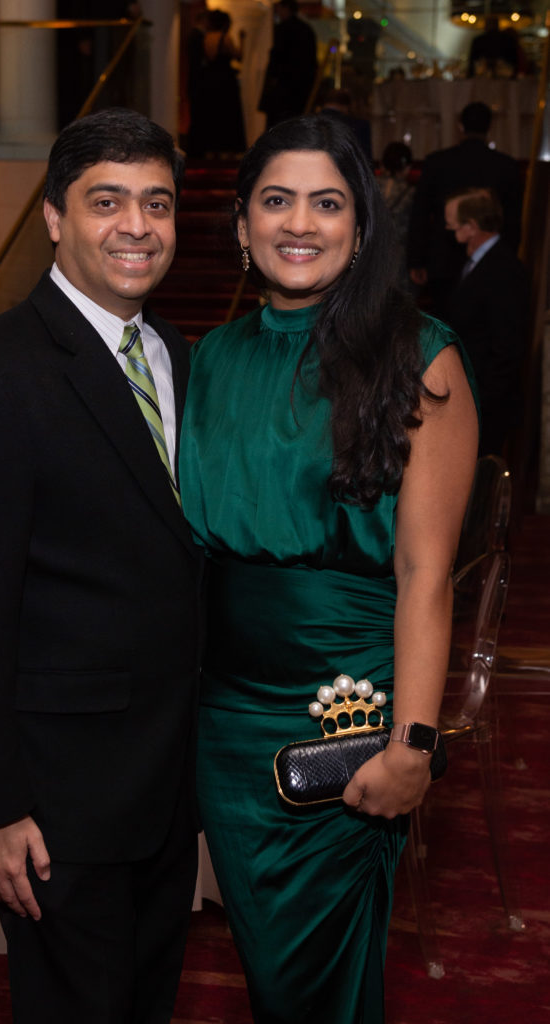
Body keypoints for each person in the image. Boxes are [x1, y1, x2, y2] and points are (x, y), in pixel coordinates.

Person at [179, 114, 478, 1024]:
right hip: (223, 724)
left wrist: (414, 747)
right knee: (271, 980)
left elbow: (428, 575)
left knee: (317, 988)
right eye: (276, 201)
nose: (299, 223)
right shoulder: (211, 360)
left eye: (326, 202)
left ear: (359, 227)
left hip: (344, 719)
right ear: (241, 226)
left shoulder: (420, 356)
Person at [0, 109, 204, 1024]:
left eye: (156, 203)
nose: (136, 226)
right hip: (56, 805)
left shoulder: (180, 358)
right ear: (53, 217)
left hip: (165, 782)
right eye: (105, 201)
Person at [406, 100, 523, 316]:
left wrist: (416, 260)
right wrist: (507, 260)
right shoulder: (506, 166)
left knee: (445, 326)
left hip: (442, 261)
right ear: (489, 127)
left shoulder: (437, 162)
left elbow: (420, 213)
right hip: (491, 263)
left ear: (460, 126)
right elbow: (513, 220)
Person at [443, 187, 530, 456]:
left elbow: (506, 349)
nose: (448, 228)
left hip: (485, 404)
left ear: (471, 227)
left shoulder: (503, 270)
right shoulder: (475, 262)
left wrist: (481, 404)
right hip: (466, 394)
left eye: (453, 222)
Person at [187, 8, 246, 158]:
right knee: (227, 115)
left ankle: (211, 149)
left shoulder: (206, 38)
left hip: (209, 82)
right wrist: (243, 39)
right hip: (225, 82)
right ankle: (226, 149)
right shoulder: (225, 38)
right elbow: (238, 56)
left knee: (213, 115)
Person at [259, 0, 317, 129]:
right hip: (300, 88)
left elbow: (276, 59)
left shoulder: (283, 29)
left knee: (278, 127)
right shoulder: (306, 29)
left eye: (278, 8)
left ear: (285, 7)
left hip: (283, 88)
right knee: (294, 126)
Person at [377, 140, 415, 292]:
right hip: (399, 256)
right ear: (407, 167)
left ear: (382, 164)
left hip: (370, 251)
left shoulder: (369, 186)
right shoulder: (411, 192)